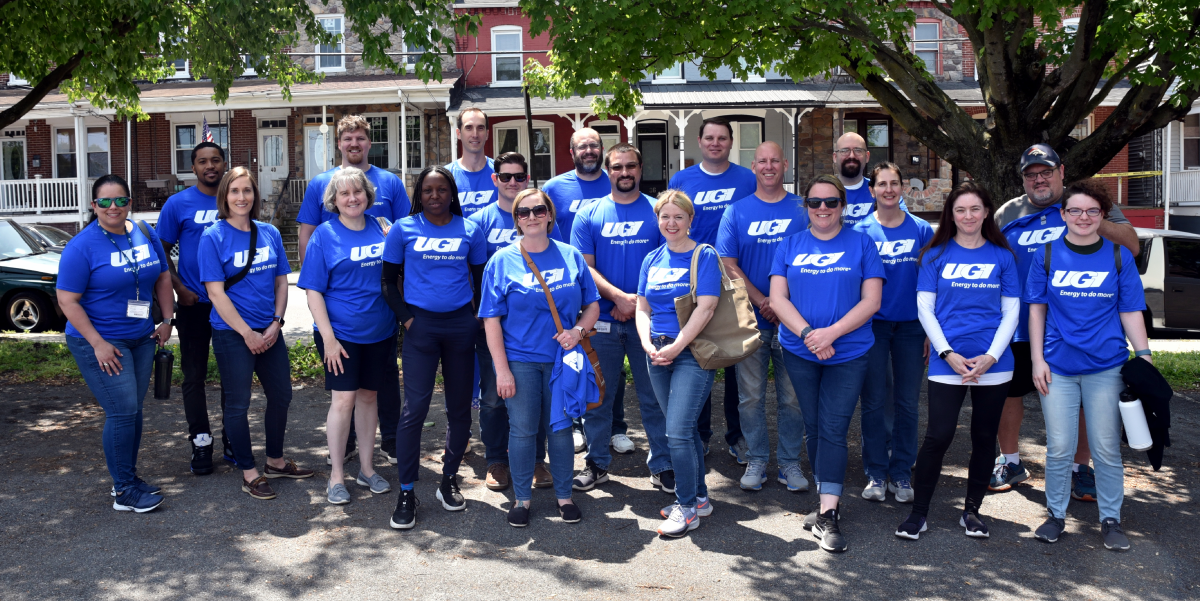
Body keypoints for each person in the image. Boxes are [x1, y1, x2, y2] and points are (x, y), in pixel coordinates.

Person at [992, 144, 1140, 499]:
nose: (1039, 179)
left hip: (1074, 326)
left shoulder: (1086, 204)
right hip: (1017, 323)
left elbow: (1132, 245)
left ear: (1061, 170)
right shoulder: (1007, 212)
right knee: (1009, 392)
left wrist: (1087, 214)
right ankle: (1010, 461)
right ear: (1023, 179)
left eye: (1045, 172)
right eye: (1031, 174)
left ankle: (1080, 468)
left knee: (1087, 397)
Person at [1025, 180, 1148, 551]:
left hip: (1106, 367)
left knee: (1105, 447)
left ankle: (1110, 519)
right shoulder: (1046, 253)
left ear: (1102, 215)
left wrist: (1144, 357)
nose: (1083, 217)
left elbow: (1130, 310)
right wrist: (1037, 360)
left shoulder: (1118, 256)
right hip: (1058, 367)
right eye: (1075, 210)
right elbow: (1036, 310)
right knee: (1060, 447)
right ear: (1063, 215)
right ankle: (1056, 515)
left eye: (1092, 210)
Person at [894, 182, 1019, 541]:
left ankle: (972, 513)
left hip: (994, 363)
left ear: (986, 213)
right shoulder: (935, 255)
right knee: (938, 436)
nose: (968, 216)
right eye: (960, 210)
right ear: (951, 214)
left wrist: (991, 356)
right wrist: (946, 352)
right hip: (947, 361)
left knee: (983, 438)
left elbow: (1011, 313)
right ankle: (919, 514)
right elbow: (924, 309)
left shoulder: (1002, 256)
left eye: (975, 209)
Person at [770, 174, 884, 553]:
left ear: (843, 207)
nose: (823, 209)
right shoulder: (789, 244)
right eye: (815, 202)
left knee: (834, 427)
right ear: (806, 206)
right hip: (801, 350)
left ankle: (829, 515)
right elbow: (777, 299)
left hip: (848, 352)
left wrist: (830, 334)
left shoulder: (862, 243)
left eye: (831, 202)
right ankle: (824, 501)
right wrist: (808, 335)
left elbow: (871, 301)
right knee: (815, 426)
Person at [481, 188, 601, 527]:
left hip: (564, 361)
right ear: (516, 220)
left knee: (560, 429)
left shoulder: (571, 255)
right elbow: (491, 320)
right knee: (521, 431)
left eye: (538, 210)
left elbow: (592, 305)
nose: (531, 217)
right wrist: (501, 371)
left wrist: (578, 332)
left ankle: (564, 496)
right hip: (520, 361)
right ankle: (522, 499)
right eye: (523, 212)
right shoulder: (501, 261)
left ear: (549, 215)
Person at [297, 114, 410, 467]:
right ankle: (341, 456)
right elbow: (307, 235)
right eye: (348, 138)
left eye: (360, 138)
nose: (354, 144)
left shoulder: (389, 187)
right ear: (340, 143)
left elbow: (405, 235)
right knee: (345, 394)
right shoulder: (320, 191)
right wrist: (316, 279)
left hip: (381, 316)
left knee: (378, 387)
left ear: (368, 142)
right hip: (340, 315)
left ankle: (383, 447)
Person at [58, 175, 174, 513]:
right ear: (94, 206)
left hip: (142, 337)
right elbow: (67, 300)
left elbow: (163, 277)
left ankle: (127, 478)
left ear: (129, 203)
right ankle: (124, 490)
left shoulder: (144, 232)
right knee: (122, 411)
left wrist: (167, 321)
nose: (113, 207)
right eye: (105, 201)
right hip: (101, 341)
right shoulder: (82, 246)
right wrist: (97, 343)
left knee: (133, 412)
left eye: (120, 200)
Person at [382, 166, 487, 530]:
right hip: (420, 329)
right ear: (420, 194)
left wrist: (473, 320)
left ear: (451, 193)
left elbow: (480, 281)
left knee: (459, 410)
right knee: (414, 410)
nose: (435, 196)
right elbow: (388, 283)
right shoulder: (403, 228)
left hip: (461, 327)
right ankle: (407, 491)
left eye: (442, 189)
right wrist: (408, 321)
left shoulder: (470, 229)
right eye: (428, 190)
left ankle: (448, 480)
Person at [200, 167, 314, 501]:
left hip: (269, 331)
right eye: (234, 191)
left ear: (255, 195)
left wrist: (276, 322)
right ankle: (249, 472)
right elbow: (216, 293)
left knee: (281, 396)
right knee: (238, 404)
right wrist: (246, 332)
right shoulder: (213, 236)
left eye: (247, 191)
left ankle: (276, 461)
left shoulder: (269, 233)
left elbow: (282, 280)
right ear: (225, 196)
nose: (241, 197)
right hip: (233, 333)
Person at [570, 142, 672, 493]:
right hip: (602, 322)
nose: (624, 173)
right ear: (608, 171)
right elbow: (584, 267)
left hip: (650, 323)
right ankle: (596, 464)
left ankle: (662, 465)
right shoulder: (589, 214)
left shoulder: (658, 211)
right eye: (617, 167)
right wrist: (616, 297)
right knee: (598, 398)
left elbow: (668, 262)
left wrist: (636, 302)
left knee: (655, 399)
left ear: (640, 169)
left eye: (631, 166)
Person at [297, 168, 395, 505]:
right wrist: (328, 338)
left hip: (380, 331)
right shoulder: (324, 235)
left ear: (368, 195)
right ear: (333, 201)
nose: (352, 198)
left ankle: (367, 469)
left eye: (358, 192)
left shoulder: (383, 228)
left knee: (369, 398)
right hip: (341, 336)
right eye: (344, 194)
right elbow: (312, 291)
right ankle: (336, 475)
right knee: (344, 400)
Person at [716, 142, 809, 491]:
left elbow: (812, 259)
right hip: (751, 321)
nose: (769, 167)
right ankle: (756, 459)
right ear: (752, 166)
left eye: (775, 160)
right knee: (750, 397)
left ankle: (788, 463)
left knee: (792, 397)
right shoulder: (736, 211)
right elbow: (727, 263)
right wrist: (764, 300)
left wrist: (781, 304)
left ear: (785, 164)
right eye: (762, 161)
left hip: (794, 322)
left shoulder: (803, 209)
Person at [468, 152, 561, 492]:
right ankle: (496, 460)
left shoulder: (541, 215)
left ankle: (536, 460)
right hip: (492, 326)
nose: (512, 182)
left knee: (533, 397)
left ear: (527, 179)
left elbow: (558, 257)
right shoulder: (478, 221)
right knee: (493, 396)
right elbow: (469, 271)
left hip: (534, 329)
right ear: (494, 179)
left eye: (519, 176)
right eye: (505, 176)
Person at [668, 117, 758, 460]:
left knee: (734, 357)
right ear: (700, 141)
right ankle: (700, 435)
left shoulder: (747, 179)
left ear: (730, 142)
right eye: (710, 137)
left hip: (733, 280)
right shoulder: (683, 179)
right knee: (699, 357)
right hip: (692, 280)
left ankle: (736, 437)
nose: (716, 143)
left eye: (722, 138)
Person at [636, 190, 722, 537]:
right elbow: (643, 307)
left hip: (692, 352)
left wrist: (676, 346)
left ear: (690, 220)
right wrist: (647, 344)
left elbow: (707, 307)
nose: (671, 223)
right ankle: (700, 497)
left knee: (677, 431)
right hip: (655, 352)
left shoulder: (704, 256)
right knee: (681, 431)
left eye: (678, 217)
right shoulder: (652, 259)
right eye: (665, 217)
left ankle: (686, 509)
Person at [853, 162, 934, 503]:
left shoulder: (922, 230)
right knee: (873, 401)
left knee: (907, 402)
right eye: (881, 184)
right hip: (873, 327)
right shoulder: (859, 231)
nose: (888, 189)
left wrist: (932, 330)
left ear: (903, 188)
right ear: (871, 190)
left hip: (913, 327)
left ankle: (901, 472)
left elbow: (934, 282)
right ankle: (875, 471)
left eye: (894, 183)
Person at [543, 129, 617, 455]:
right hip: (565, 286)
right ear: (571, 151)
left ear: (602, 149)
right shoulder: (555, 188)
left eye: (594, 145)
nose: (589, 150)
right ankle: (575, 423)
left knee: (605, 361)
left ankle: (616, 427)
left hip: (604, 286)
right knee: (572, 357)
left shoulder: (613, 182)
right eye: (582, 145)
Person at [156, 141, 228, 474]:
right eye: (202, 161)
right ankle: (200, 442)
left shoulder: (236, 198)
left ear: (224, 163)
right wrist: (179, 289)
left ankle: (233, 439)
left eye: (215, 160)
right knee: (194, 376)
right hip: (194, 303)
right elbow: (161, 254)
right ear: (193, 167)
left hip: (231, 305)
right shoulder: (177, 203)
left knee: (234, 377)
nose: (210, 166)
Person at [446, 107, 498, 218]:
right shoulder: (445, 176)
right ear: (458, 133)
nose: (475, 134)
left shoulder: (501, 174)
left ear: (487, 134)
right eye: (468, 128)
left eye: (480, 128)